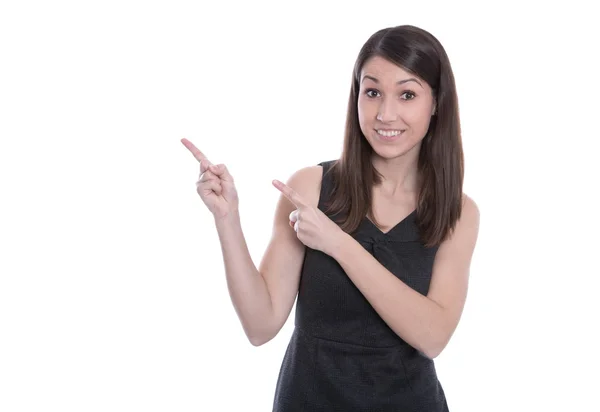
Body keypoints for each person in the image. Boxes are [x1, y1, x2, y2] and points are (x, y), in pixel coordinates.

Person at [182, 24, 480, 412]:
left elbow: (433, 336)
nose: (385, 114)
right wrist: (228, 219)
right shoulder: (310, 188)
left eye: (407, 94)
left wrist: (338, 244)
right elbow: (260, 325)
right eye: (372, 92)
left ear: (436, 102)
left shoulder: (457, 212)